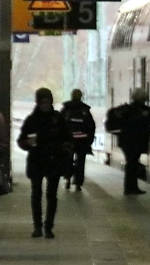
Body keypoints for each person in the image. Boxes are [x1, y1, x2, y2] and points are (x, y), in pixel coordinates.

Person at [17, 88, 71, 239]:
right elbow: (21, 140)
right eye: (43, 102)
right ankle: (37, 226)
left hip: (54, 161)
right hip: (37, 161)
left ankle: (49, 226)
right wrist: (27, 143)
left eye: (48, 102)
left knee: (52, 195)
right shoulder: (32, 120)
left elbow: (68, 139)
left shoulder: (58, 119)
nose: (46, 105)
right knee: (36, 194)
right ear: (38, 102)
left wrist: (65, 152)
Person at [108, 87, 150, 195]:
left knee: (131, 163)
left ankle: (131, 187)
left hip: (125, 142)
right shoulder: (142, 111)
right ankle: (131, 188)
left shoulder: (126, 109)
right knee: (132, 164)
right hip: (135, 142)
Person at [61, 88, 96, 192]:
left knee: (68, 160)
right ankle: (78, 183)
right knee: (80, 162)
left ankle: (67, 179)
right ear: (81, 97)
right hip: (82, 141)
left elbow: (60, 123)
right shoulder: (85, 110)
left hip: (69, 140)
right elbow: (91, 126)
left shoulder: (66, 108)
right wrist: (90, 140)